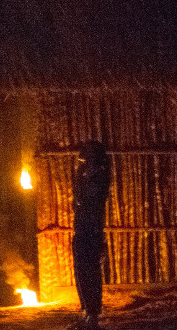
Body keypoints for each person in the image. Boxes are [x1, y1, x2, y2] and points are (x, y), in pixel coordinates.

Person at [72, 141, 110, 329]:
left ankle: (93, 315)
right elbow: (78, 201)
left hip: (92, 229)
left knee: (91, 271)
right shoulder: (84, 177)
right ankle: (86, 311)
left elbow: (89, 203)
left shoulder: (99, 178)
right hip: (81, 228)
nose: (83, 163)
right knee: (80, 270)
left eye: (86, 158)